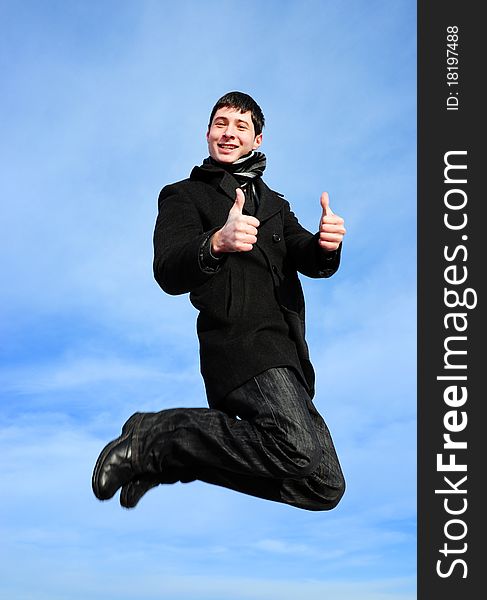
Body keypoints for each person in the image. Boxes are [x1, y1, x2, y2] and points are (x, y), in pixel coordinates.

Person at [92, 91, 347, 511]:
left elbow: (309, 255)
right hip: (240, 344)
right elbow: (168, 270)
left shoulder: (276, 205)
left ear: (258, 139)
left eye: (240, 126)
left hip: (289, 354)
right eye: (221, 124)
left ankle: (165, 461)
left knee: (323, 486)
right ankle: (154, 435)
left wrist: (327, 243)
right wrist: (215, 243)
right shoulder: (185, 195)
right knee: (298, 450)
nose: (229, 133)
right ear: (207, 133)